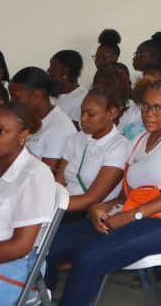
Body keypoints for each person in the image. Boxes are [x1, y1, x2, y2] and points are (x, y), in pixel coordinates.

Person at [46, 77, 161, 306]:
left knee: (89, 258)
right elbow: (127, 194)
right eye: (145, 106)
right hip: (132, 211)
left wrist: (132, 215)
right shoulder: (139, 140)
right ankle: (40, 297)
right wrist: (101, 206)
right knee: (49, 245)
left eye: (158, 108)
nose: (148, 113)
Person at [0, 103, 56, 306]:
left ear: (23, 136)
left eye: (1, 131)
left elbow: (20, 246)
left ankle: (30, 295)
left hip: (16, 264)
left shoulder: (35, 175)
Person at [56, 87, 127, 224]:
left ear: (112, 112)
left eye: (91, 114)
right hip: (62, 206)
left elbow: (92, 199)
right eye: (82, 112)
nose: (83, 119)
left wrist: (51, 205)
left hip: (86, 214)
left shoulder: (120, 147)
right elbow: (59, 183)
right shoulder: (74, 139)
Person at [8, 67, 76, 168]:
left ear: (34, 95)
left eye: (16, 97)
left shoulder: (59, 127)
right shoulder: (25, 118)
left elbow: (46, 172)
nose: (11, 102)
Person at [49, 50, 87, 124]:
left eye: (52, 66)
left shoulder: (82, 99)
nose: (48, 70)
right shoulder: (52, 91)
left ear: (65, 71)